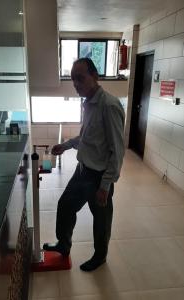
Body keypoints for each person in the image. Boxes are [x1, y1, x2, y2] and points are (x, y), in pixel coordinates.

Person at [43, 58, 125, 271]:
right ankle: (63, 245)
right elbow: (88, 139)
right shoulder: (88, 103)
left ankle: (100, 257)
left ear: (95, 76)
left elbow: (117, 150)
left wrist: (106, 185)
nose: (76, 84)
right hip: (82, 172)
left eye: (80, 78)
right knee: (65, 206)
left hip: (99, 178)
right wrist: (67, 145)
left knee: (101, 220)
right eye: (73, 80)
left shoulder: (109, 105)